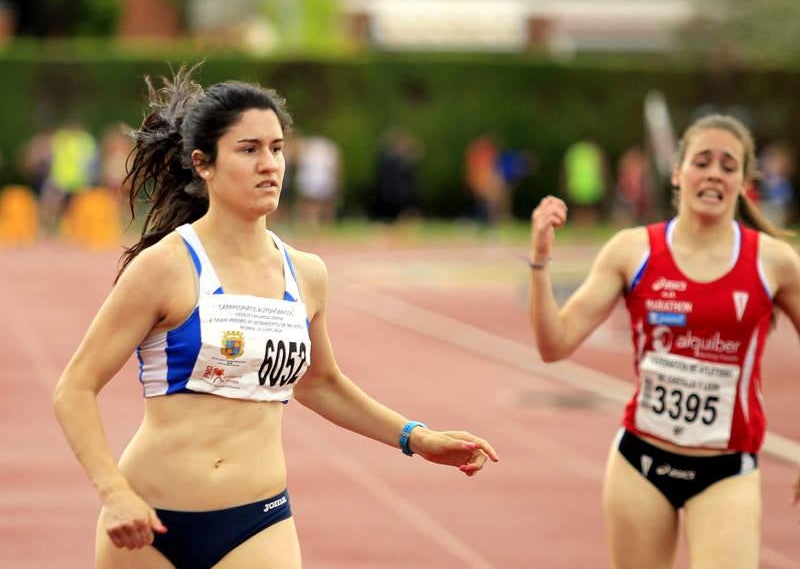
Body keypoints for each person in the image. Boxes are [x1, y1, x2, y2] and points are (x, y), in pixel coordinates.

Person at [53, 67, 498, 569]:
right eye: (249, 149)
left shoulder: (306, 274)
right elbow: (74, 388)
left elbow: (320, 383)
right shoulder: (166, 267)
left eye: (278, 148)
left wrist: (415, 437)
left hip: (257, 523)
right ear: (204, 164)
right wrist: (115, 493)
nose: (270, 165)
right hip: (151, 523)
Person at [528, 114, 800, 569]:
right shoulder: (632, 250)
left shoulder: (773, 262)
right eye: (703, 161)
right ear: (678, 173)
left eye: (728, 165)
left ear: (743, 182)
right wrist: (539, 261)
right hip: (641, 464)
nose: (714, 172)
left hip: (726, 469)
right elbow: (554, 345)